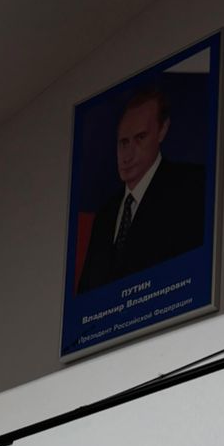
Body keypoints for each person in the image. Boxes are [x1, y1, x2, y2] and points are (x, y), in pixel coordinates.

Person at [77, 84, 206, 293]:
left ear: (162, 130)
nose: (127, 156)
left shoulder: (191, 188)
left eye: (140, 138)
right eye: (123, 142)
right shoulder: (104, 217)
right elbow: (86, 294)